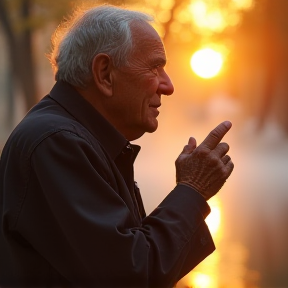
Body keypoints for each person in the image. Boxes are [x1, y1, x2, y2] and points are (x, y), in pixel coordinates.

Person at [0, 4, 234, 287]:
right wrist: (191, 191)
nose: (168, 85)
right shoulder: (56, 142)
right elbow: (131, 275)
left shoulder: (78, 139)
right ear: (105, 73)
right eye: (154, 67)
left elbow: (136, 261)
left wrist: (190, 194)